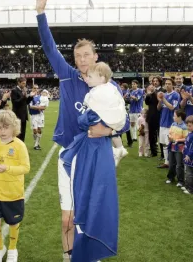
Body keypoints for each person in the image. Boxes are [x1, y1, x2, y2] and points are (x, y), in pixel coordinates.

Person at [34, 0, 129, 261]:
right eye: (78, 56)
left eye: (87, 55)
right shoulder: (66, 75)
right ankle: (69, 257)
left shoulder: (110, 87)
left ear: (95, 57)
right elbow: (48, 47)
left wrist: (108, 130)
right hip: (68, 153)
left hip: (95, 155)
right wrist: (41, 13)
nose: (82, 59)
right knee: (68, 218)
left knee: (93, 213)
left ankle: (91, 255)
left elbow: (122, 122)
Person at [60, 62, 127, 261]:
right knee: (86, 199)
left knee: (96, 197)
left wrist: (107, 129)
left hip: (97, 150)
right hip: (90, 149)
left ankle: (92, 250)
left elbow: (117, 119)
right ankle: (81, 251)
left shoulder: (105, 92)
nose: (86, 77)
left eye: (90, 75)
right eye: (77, 56)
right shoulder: (97, 91)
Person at [0, 110, 30, 262]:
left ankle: (12, 248)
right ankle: (0, 249)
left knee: (13, 222)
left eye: (6, 127)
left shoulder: (20, 146)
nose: (2, 131)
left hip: (14, 193)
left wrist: (7, 168)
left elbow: (26, 168)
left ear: (14, 127)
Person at [157, 78, 180, 168]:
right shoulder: (164, 94)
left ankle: (172, 162)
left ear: (173, 85)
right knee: (163, 143)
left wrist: (163, 99)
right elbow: (159, 108)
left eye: (169, 84)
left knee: (170, 143)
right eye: (166, 84)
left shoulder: (176, 95)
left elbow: (172, 107)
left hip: (170, 123)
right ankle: (166, 162)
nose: (167, 85)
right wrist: (159, 101)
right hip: (162, 122)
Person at [166, 110, 187, 186]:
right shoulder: (173, 124)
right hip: (172, 146)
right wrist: (170, 138)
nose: (173, 117)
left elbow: (186, 138)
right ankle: (171, 178)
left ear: (179, 117)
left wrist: (178, 140)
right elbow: (170, 133)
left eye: (174, 116)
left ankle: (180, 181)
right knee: (171, 163)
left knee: (179, 165)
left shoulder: (184, 127)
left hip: (180, 148)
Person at [145, 76, 165, 158]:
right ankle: (154, 152)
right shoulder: (150, 91)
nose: (155, 82)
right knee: (151, 135)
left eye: (156, 81)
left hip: (160, 115)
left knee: (161, 135)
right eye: (154, 81)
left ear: (160, 82)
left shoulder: (163, 91)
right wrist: (148, 95)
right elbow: (147, 103)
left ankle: (163, 154)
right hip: (151, 115)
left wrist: (154, 92)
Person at [11, 78, 35, 142]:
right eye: (23, 83)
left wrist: (30, 97)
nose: (24, 85)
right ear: (18, 82)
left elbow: (26, 102)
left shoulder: (23, 90)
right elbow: (15, 103)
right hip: (17, 115)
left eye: (25, 83)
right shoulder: (14, 90)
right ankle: (16, 148)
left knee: (23, 133)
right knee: (17, 133)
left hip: (24, 115)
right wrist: (23, 97)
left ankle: (21, 148)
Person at [182, 116, 193, 194]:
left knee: (191, 173)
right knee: (188, 172)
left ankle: (192, 189)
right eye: (187, 125)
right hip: (187, 156)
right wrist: (184, 149)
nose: (188, 127)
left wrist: (189, 155)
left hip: (192, 158)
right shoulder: (190, 133)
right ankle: (188, 186)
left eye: (190, 126)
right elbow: (188, 144)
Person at [29, 85, 47, 150]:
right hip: (33, 115)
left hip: (41, 115)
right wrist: (38, 107)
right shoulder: (30, 97)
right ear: (32, 88)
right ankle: (35, 142)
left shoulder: (41, 97)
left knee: (39, 129)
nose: (36, 89)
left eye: (37, 88)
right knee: (35, 130)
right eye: (34, 88)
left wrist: (39, 107)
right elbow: (30, 106)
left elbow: (44, 107)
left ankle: (36, 144)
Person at [121, 83, 133, 148]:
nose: (121, 88)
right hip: (120, 112)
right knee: (119, 127)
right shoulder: (120, 93)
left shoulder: (128, 93)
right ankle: (120, 143)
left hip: (126, 112)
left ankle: (130, 142)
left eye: (122, 87)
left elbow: (129, 101)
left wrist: (124, 98)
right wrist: (123, 97)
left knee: (127, 128)